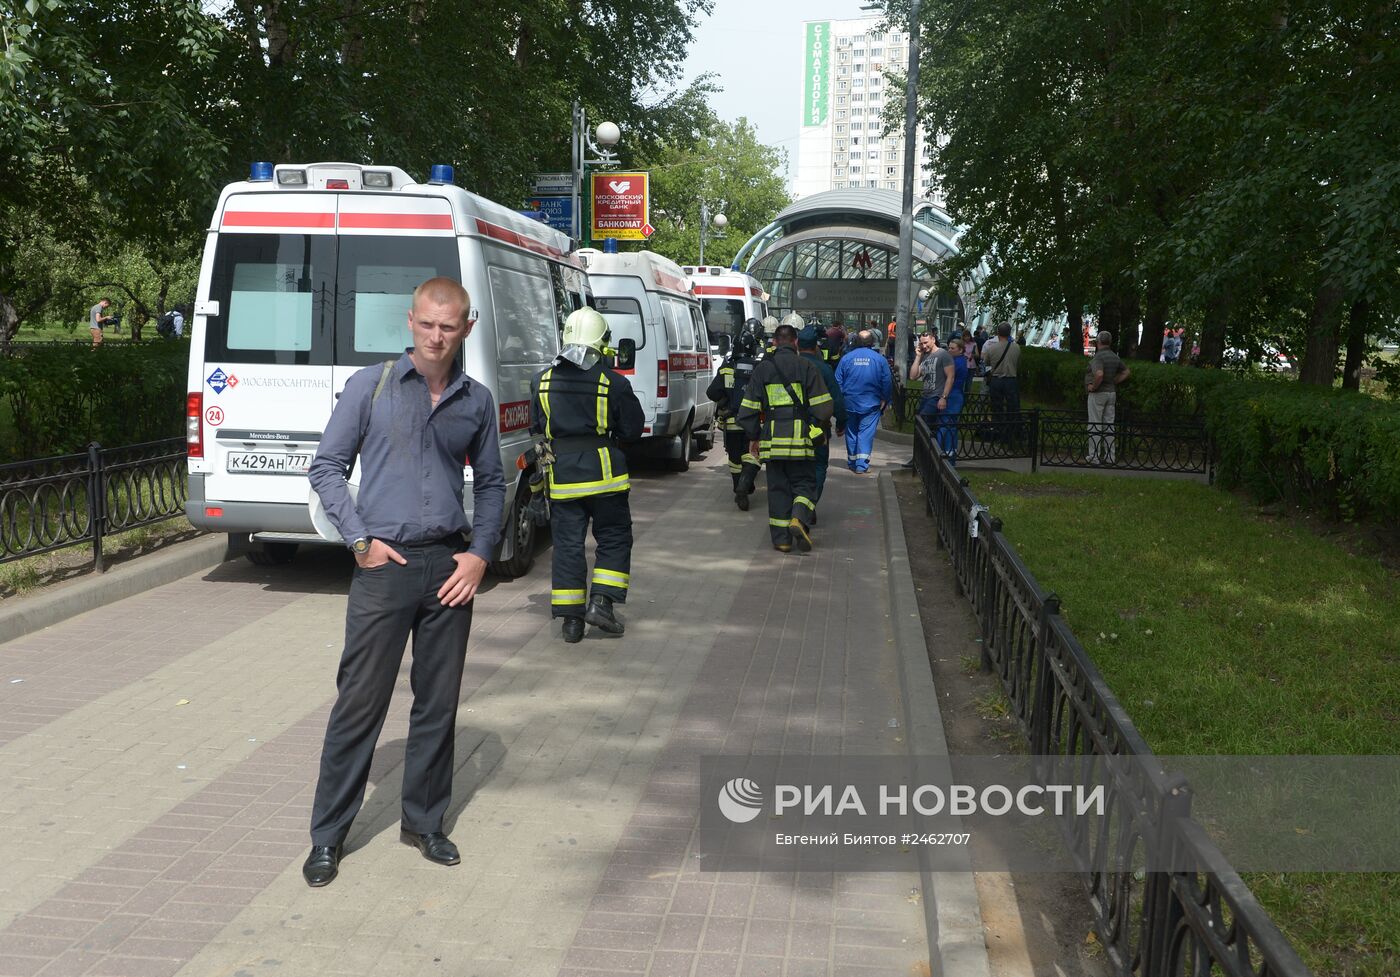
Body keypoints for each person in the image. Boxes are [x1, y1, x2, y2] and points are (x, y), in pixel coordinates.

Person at [303, 277, 506, 888]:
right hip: (383, 568)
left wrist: (479, 557)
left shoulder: (477, 400)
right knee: (359, 703)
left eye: (449, 326)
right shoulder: (373, 386)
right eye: (427, 324)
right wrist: (360, 541)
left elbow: (493, 484)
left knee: (437, 704)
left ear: (466, 328)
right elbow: (327, 468)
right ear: (410, 323)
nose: (437, 336)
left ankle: (423, 821)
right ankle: (328, 838)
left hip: (448, 568)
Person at [531, 307, 644, 642]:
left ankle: (571, 622)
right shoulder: (614, 382)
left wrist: (540, 486)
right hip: (606, 477)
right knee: (613, 538)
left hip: (562, 480)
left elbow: (539, 436)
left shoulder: (542, 381)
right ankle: (601, 604)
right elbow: (633, 430)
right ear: (600, 342)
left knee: (567, 546)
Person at [737, 323, 834, 552]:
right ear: (796, 342)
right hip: (801, 441)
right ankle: (798, 519)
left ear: (774, 342)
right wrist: (817, 427)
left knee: (778, 489)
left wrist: (754, 437)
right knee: (806, 484)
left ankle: (781, 540)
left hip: (771, 441)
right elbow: (824, 407)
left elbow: (747, 410)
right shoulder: (806, 366)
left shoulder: (762, 369)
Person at [706, 319, 763, 510]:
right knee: (753, 455)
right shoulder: (758, 369)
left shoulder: (727, 369)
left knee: (734, 459)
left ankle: (739, 490)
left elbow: (711, 392)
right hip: (752, 423)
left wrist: (725, 403)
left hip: (731, 424)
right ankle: (745, 485)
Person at [797, 325, 847, 521]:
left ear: (797, 344)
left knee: (796, 469)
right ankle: (808, 506)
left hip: (789, 427)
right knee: (817, 467)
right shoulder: (824, 369)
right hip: (818, 430)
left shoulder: (789, 365)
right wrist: (841, 423)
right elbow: (837, 399)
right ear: (816, 347)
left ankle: (798, 506)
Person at [834, 329, 892, 474]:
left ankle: (852, 461)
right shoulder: (879, 359)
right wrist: (885, 399)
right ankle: (861, 465)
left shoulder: (846, 358)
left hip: (849, 402)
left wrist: (840, 400)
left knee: (851, 432)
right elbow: (887, 381)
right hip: (871, 403)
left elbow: (837, 381)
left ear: (857, 342)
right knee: (865, 433)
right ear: (872, 343)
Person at [905, 331, 956, 468]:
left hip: (936, 396)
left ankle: (920, 459)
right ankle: (921, 458)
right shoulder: (925, 356)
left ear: (933, 339)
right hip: (926, 396)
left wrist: (943, 397)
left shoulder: (943, 355)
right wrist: (918, 357)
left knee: (922, 425)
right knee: (922, 428)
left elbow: (950, 377)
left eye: (926, 342)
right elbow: (913, 376)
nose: (924, 345)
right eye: (921, 343)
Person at [1086, 330, 1131, 464]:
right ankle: (1111, 457)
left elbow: (1099, 374)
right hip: (1112, 393)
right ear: (1110, 342)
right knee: (1109, 425)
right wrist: (1114, 381)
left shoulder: (1098, 357)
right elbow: (1127, 372)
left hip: (1098, 394)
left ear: (1098, 342)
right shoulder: (1114, 357)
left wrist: (1093, 387)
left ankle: (1094, 456)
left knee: (1095, 424)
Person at [980, 322, 1022, 436]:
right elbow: (1018, 362)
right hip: (1011, 379)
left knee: (996, 405)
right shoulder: (1016, 347)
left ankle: (998, 428)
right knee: (1012, 405)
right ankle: (1012, 429)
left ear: (998, 332)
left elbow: (986, 362)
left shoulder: (992, 347)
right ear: (1009, 333)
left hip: (996, 380)